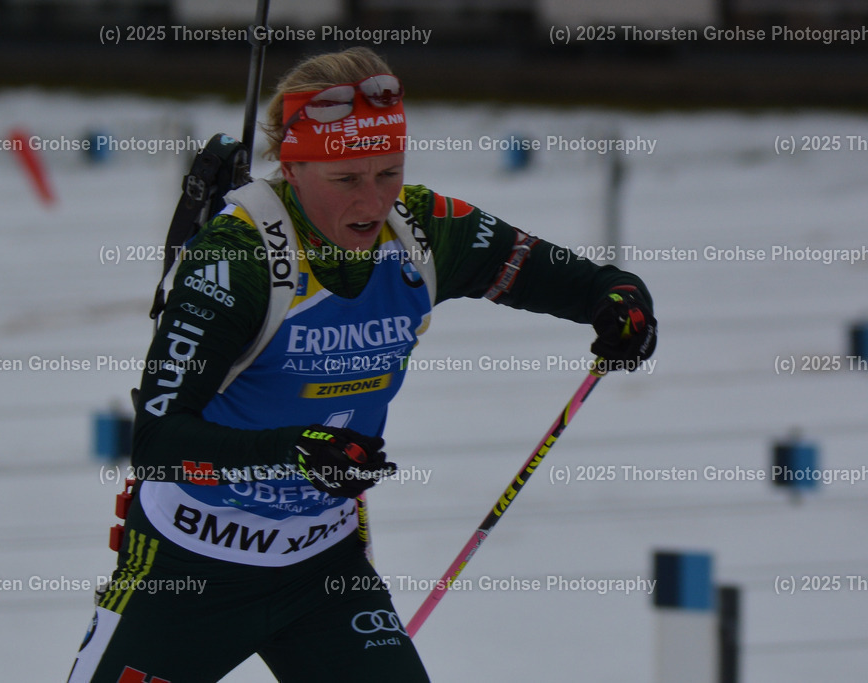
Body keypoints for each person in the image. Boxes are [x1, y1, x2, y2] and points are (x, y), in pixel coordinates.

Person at [68, 46, 656, 682]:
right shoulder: (235, 260)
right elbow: (158, 444)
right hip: (189, 563)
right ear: (291, 169)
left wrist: (618, 298)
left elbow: (556, 274)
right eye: (346, 179)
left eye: (389, 173)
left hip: (322, 568)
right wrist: (298, 450)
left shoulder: (422, 229)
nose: (373, 203)